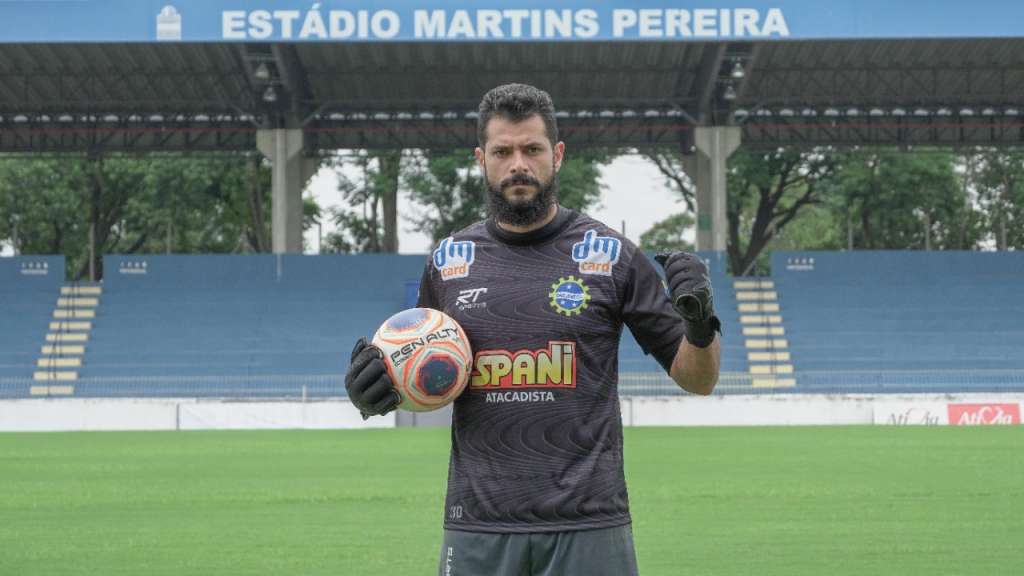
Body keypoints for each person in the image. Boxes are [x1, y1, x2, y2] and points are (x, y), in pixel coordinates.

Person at [345, 83, 721, 575]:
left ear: (557, 155)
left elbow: (699, 379)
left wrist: (699, 325)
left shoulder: (613, 255)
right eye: (503, 151)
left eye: (532, 150)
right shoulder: (449, 261)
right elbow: (426, 375)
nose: (518, 164)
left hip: (589, 526)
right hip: (477, 527)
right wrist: (378, 390)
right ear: (482, 159)